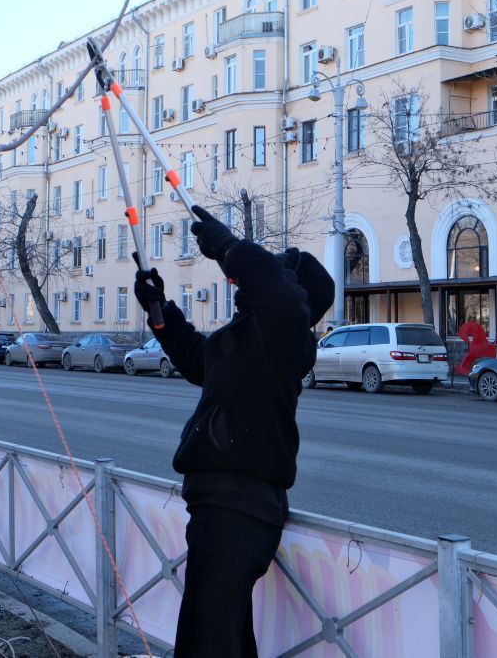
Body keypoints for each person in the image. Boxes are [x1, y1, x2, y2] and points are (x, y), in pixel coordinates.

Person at [135, 206, 333, 657]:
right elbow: (195, 358)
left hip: (240, 507)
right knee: (224, 637)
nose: (250, 279)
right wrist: (158, 309)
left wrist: (227, 247)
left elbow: (280, 296)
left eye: (277, 267)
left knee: (207, 641)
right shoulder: (244, 337)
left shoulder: (283, 336)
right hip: (216, 504)